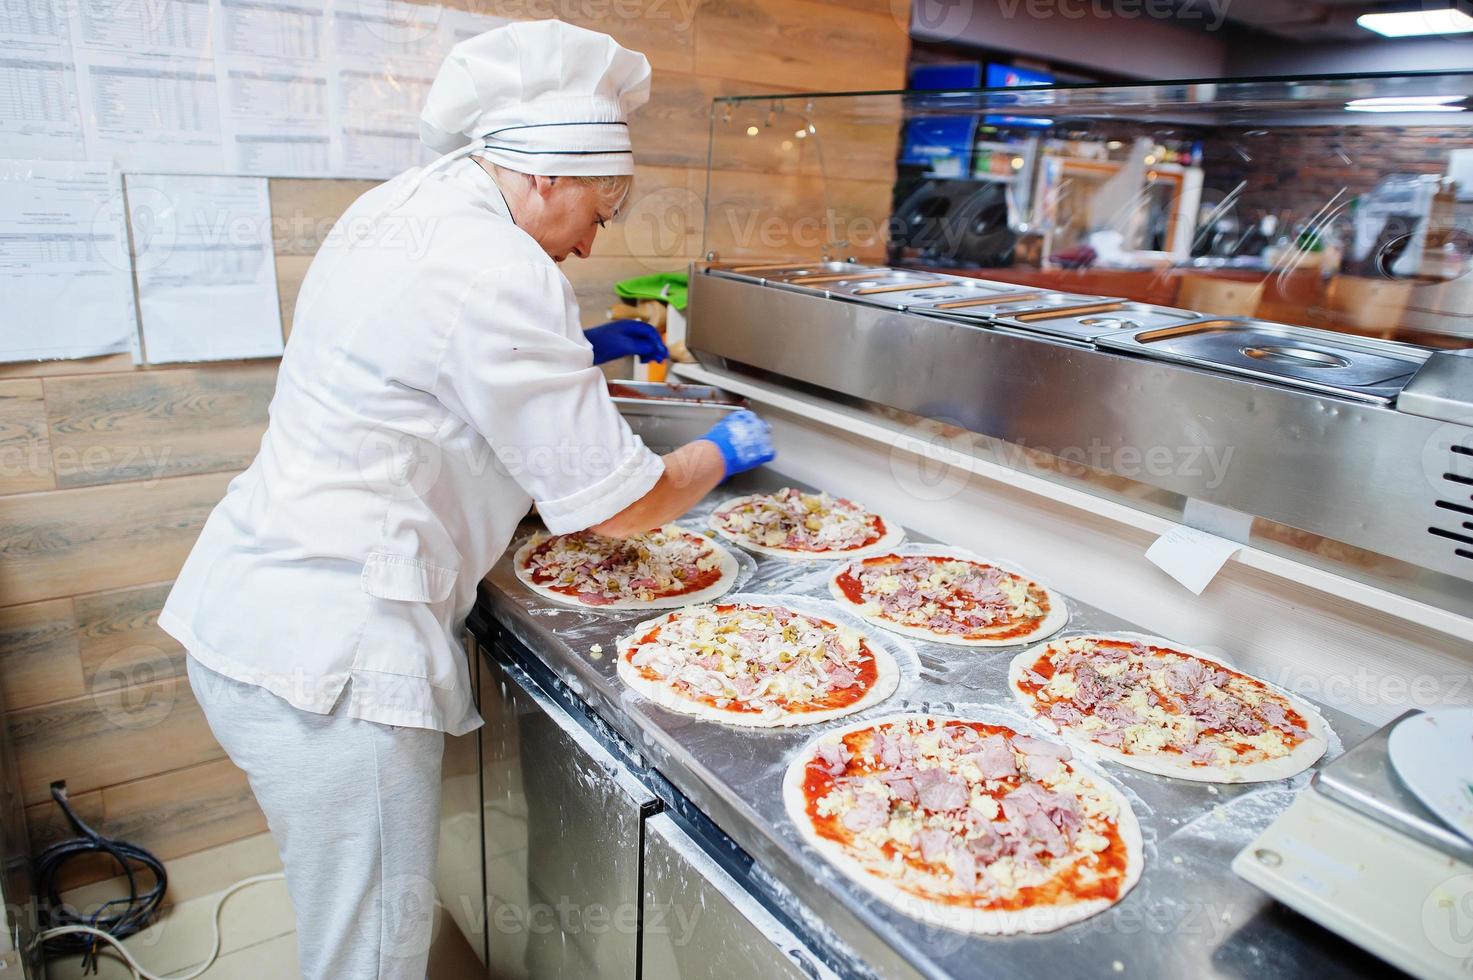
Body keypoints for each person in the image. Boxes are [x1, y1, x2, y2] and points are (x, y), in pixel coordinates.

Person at [158, 20, 775, 980]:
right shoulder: (500, 268)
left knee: (347, 921)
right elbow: (624, 508)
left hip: (253, 604)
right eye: (596, 219)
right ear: (545, 179)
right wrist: (718, 453)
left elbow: (437, 379)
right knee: (369, 956)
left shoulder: (404, 205)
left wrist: (582, 354)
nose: (589, 245)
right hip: (333, 663)